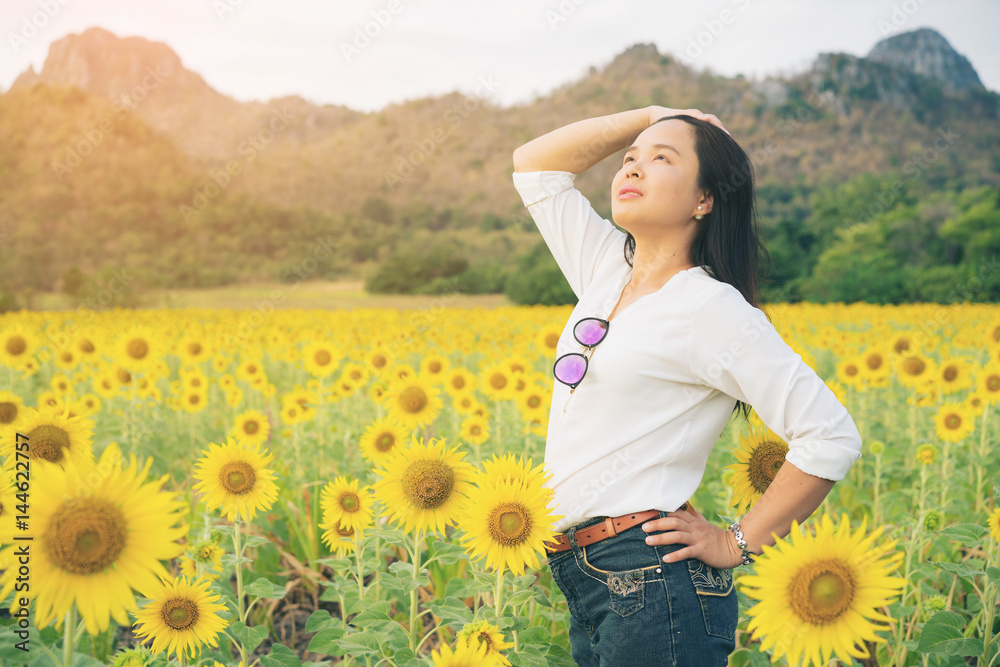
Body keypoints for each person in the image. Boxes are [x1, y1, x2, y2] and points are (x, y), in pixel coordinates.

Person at [511, 106, 863, 666]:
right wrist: (654, 116)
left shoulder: (711, 308)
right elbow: (535, 166)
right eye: (629, 159)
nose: (632, 168)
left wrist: (736, 541)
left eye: (660, 159)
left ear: (705, 200)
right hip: (586, 574)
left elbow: (831, 435)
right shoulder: (607, 269)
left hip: (651, 582)